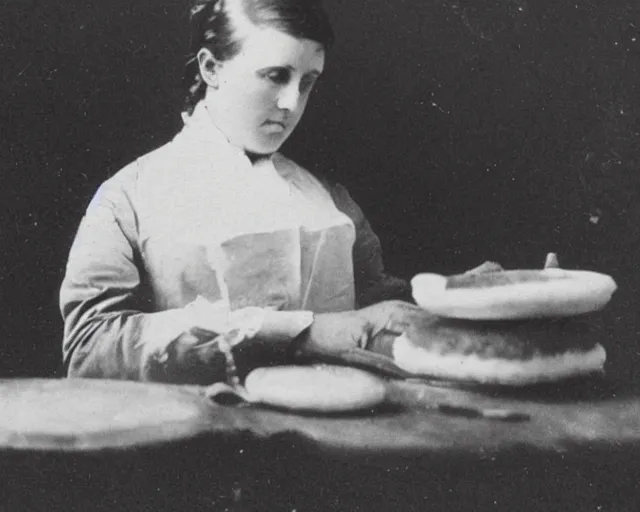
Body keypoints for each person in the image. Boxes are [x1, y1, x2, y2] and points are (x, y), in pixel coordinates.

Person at [60, 0, 425, 385]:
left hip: (333, 434)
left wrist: (451, 311)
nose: (292, 103)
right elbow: (90, 347)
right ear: (211, 68)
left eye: (308, 81)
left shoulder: (331, 201)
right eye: (275, 75)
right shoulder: (129, 197)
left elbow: (379, 316)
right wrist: (299, 334)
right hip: (198, 433)